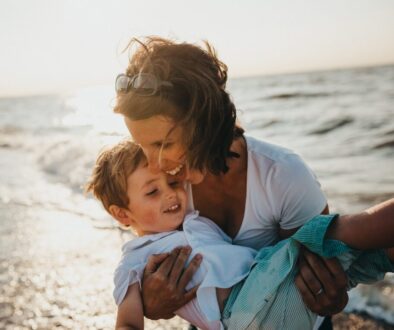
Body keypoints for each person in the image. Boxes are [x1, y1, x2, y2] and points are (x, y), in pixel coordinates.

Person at [113, 36, 348, 329]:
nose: (153, 163)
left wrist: (334, 297)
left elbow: (322, 276)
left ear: (204, 123)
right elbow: (152, 261)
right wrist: (153, 304)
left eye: (163, 143)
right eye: (141, 146)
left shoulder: (283, 176)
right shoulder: (165, 189)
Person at [85, 139, 394, 330]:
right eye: (152, 191)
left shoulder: (193, 220)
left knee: (364, 257)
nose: (171, 194)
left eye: (172, 183)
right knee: (326, 235)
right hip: (245, 311)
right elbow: (127, 321)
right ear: (122, 214)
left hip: (280, 298)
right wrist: (148, 306)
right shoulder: (134, 261)